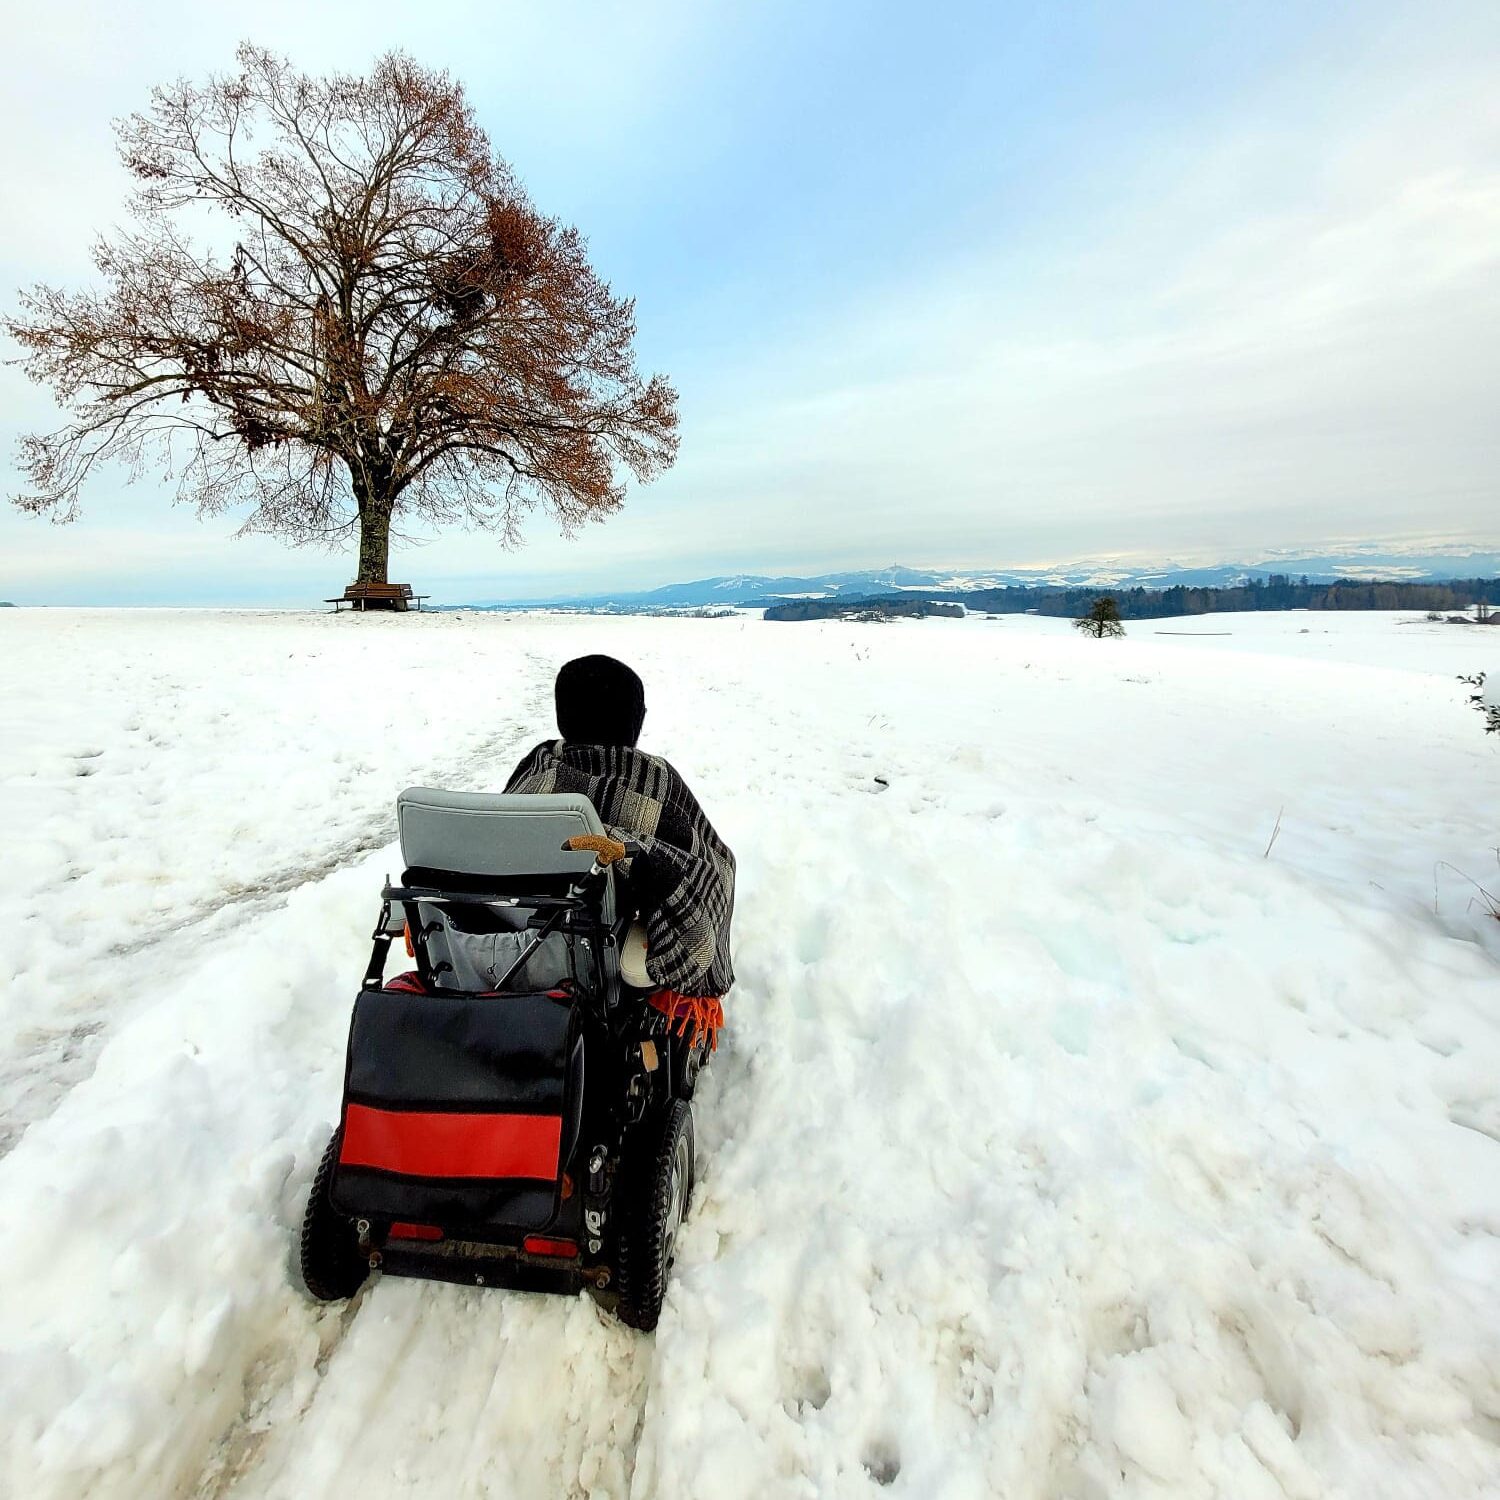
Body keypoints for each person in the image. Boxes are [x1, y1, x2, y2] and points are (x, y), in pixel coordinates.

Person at [503, 656, 736, 1037]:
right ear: (634, 721)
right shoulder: (652, 779)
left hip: (521, 927)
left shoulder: (540, 766)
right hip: (601, 941)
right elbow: (704, 861)